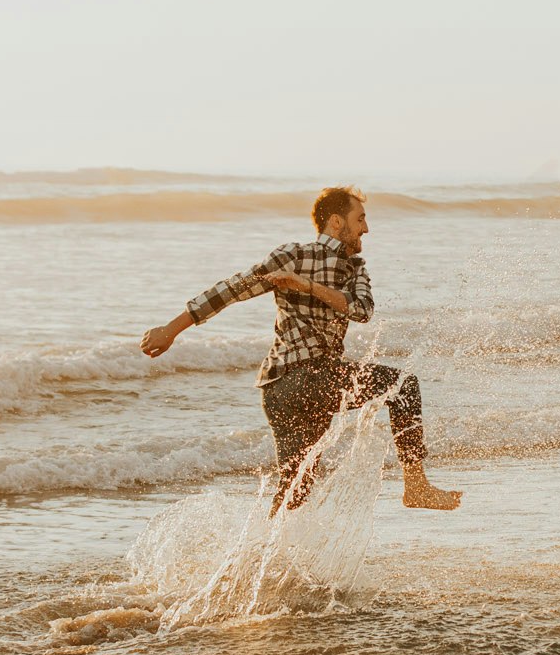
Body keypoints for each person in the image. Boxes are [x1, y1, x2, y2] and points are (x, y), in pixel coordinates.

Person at [140, 186, 462, 512]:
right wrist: (170, 329)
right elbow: (235, 288)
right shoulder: (295, 256)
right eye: (360, 218)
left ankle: (262, 557)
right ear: (336, 222)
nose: (366, 228)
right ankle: (416, 485)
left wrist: (307, 286)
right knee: (403, 386)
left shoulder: (354, 269)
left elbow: (361, 310)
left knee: (297, 485)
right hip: (305, 379)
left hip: (281, 388)